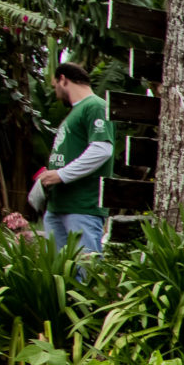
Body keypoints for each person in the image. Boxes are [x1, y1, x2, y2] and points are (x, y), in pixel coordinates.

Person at [33, 62, 114, 256]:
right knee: (58, 275)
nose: (55, 92)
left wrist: (62, 174)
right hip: (58, 206)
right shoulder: (75, 112)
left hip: (82, 206)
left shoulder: (95, 106)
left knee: (85, 272)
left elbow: (102, 149)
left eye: (55, 87)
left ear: (63, 79)